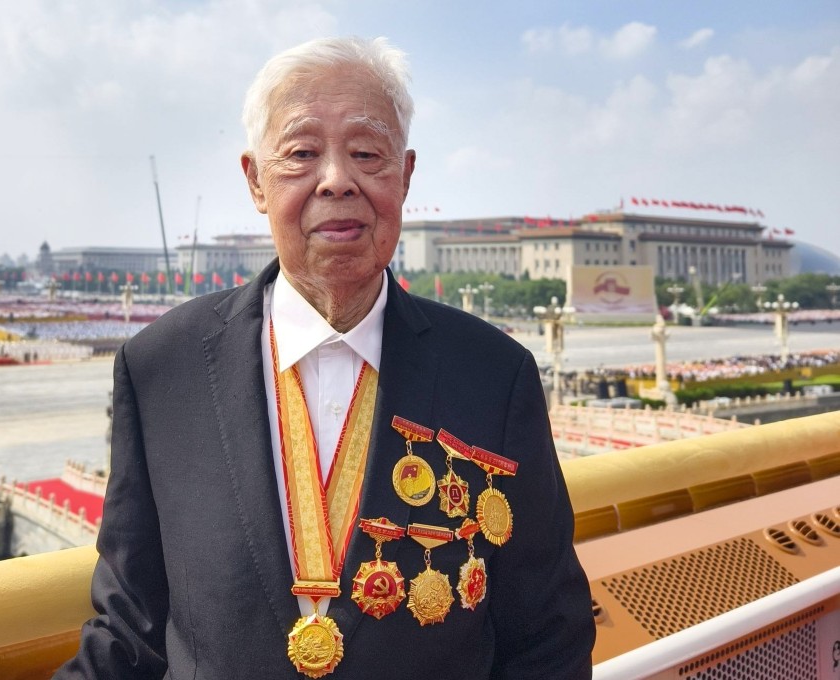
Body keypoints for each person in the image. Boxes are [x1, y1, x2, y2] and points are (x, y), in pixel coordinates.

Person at [55, 36, 594, 679]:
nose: (337, 180)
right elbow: (130, 631)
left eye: (367, 153)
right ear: (255, 180)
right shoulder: (161, 369)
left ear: (405, 174)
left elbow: (547, 636)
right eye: (302, 153)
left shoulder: (494, 376)